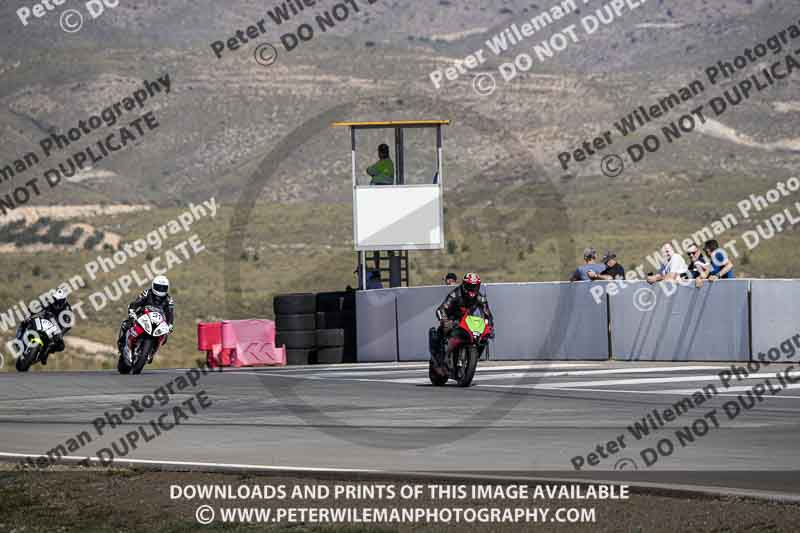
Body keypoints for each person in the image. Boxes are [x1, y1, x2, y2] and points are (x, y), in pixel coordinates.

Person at [430, 273, 494, 368]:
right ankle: (440, 358)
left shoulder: (480, 297)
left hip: (467, 322)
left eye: (475, 286)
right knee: (443, 331)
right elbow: (441, 309)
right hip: (451, 319)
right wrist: (445, 321)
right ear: (464, 285)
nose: (472, 289)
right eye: (470, 286)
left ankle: (472, 359)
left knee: (483, 338)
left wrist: (490, 327)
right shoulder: (455, 294)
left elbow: (487, 314)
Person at [117, 275, 175, 356]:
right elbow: (137, 302)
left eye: (163, 288)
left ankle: (152, 351)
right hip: (142, 316)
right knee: (126, 324)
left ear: (167, 288)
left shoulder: (169, 300)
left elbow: (170, 314)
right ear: (153, 285)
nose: (160, 290)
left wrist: (170, 325)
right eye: (158, 287)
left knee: (165, 336)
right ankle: (122, 343)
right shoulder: (147, 293)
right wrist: (132, 311)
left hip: (158, 321)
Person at [15, 288, 72, 365]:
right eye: (55, 299)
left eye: (60, 300)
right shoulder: (49, 301)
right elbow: (37, 307)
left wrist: (60, 334)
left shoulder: (67, 309)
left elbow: (67, 325)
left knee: (61, 346)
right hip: (43, 321)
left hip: (55, 329)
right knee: (26, 321)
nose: (57, 302)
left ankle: (45, 354)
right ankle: (19, 336)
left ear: (64, 300)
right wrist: (29, 313)